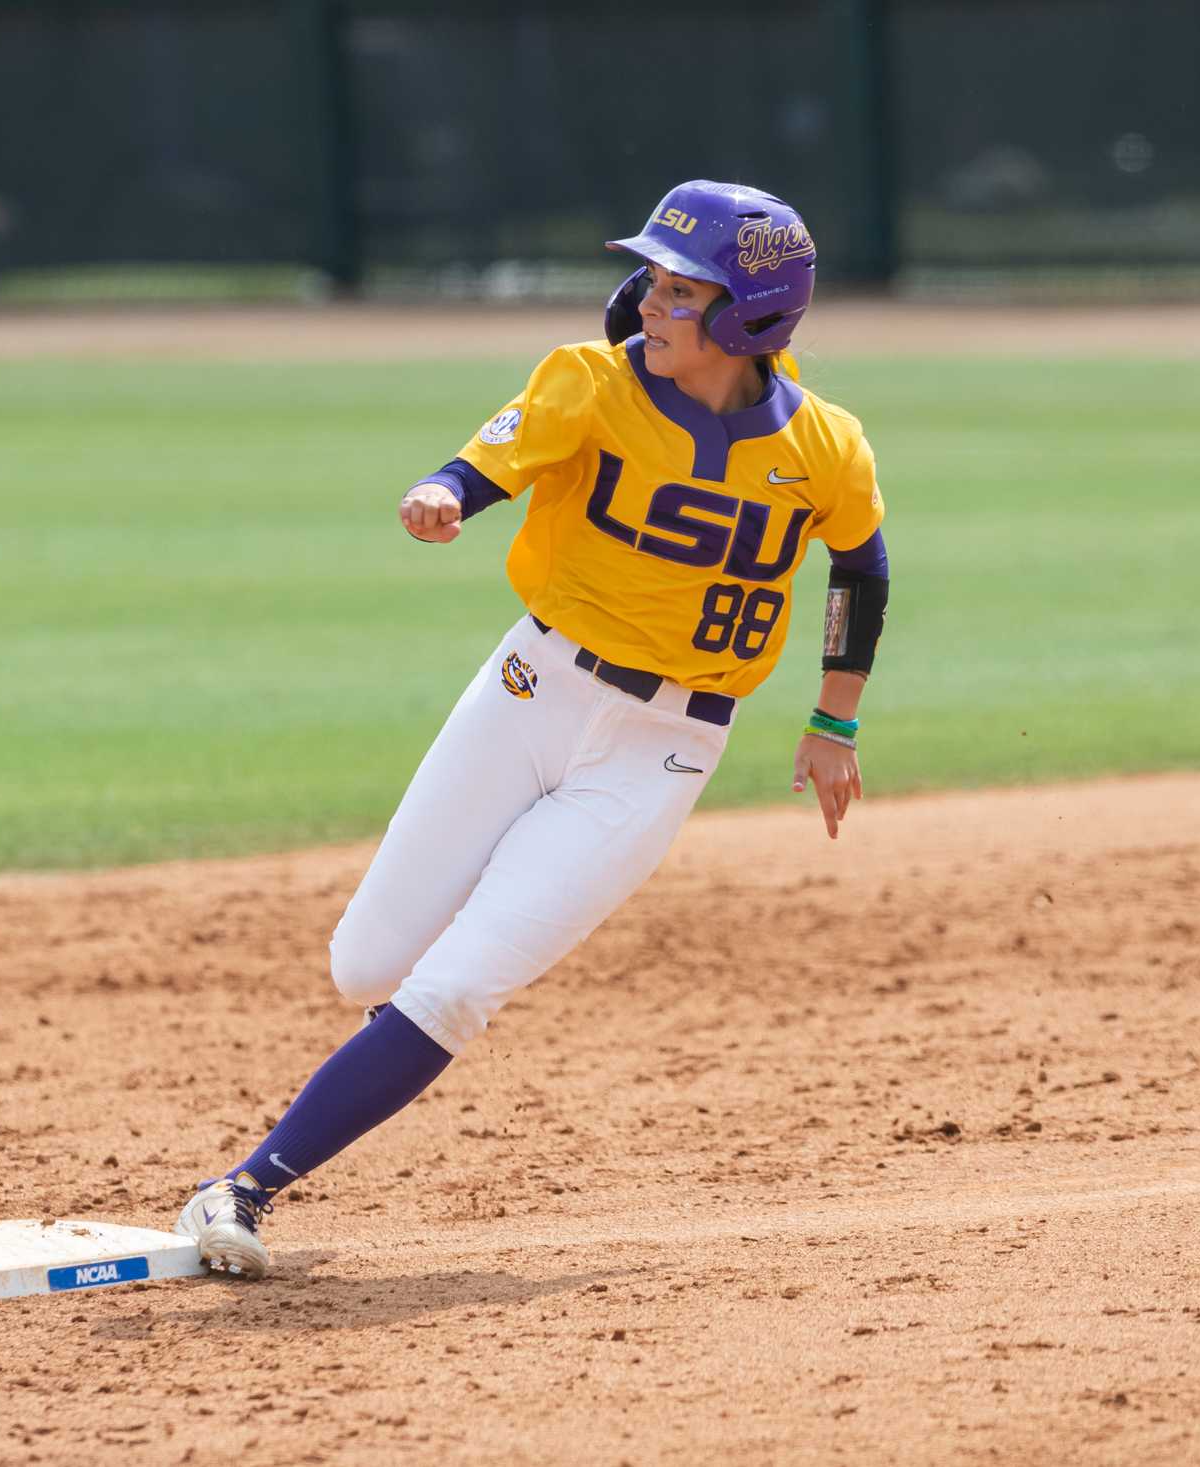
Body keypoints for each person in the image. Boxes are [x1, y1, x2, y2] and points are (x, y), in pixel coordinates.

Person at [173, 180, 890, 1277]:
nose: (652, 301)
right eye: (650, 277)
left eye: (682, 288)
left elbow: (861, 563)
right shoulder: (588, 382)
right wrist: (444, 495)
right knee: (367, 966)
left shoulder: (826, 446)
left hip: (664, 750)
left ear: (751, 314)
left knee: (457, 989)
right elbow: (487, 461)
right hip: (528, 691)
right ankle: (425, 978)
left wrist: (831, 719)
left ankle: (244, 1188)